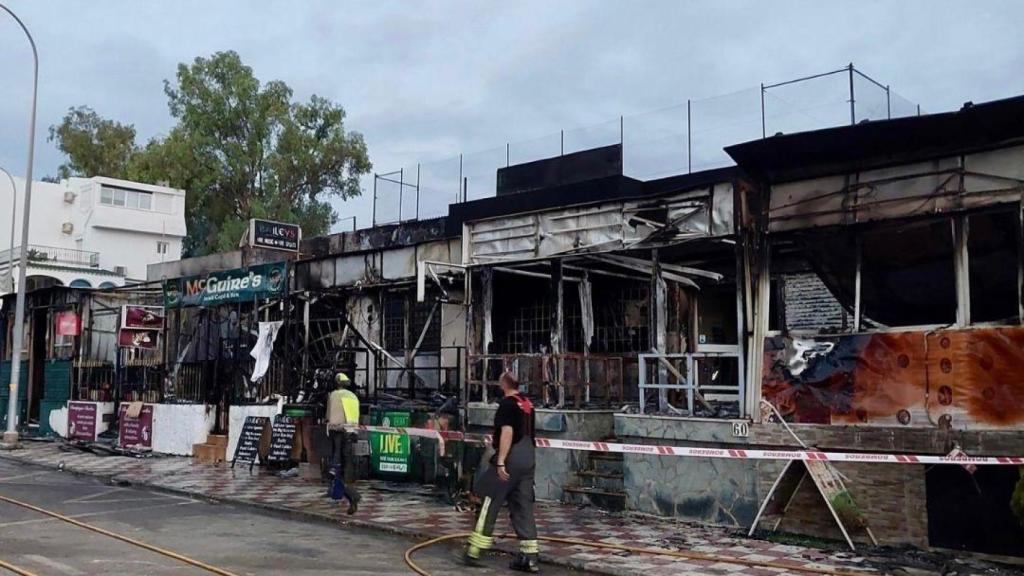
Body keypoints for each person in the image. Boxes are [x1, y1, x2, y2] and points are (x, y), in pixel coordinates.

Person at [465, 372, 539, 572]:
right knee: (522, 505)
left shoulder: (506, 404)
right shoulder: (527, 404)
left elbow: (507, 433)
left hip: (512, 457)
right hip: (528, 458)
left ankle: (474, 550)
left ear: (502, 385)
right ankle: (529, 558)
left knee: (488, 499)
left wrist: (500, 462)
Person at [326, 372, 362, 514]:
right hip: (351, 432)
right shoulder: (353, 396)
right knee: (346, 465)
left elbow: (329, 415)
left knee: (337, 464)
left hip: (337, 431)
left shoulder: (334, 395)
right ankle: (345, 494)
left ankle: (352, 495)